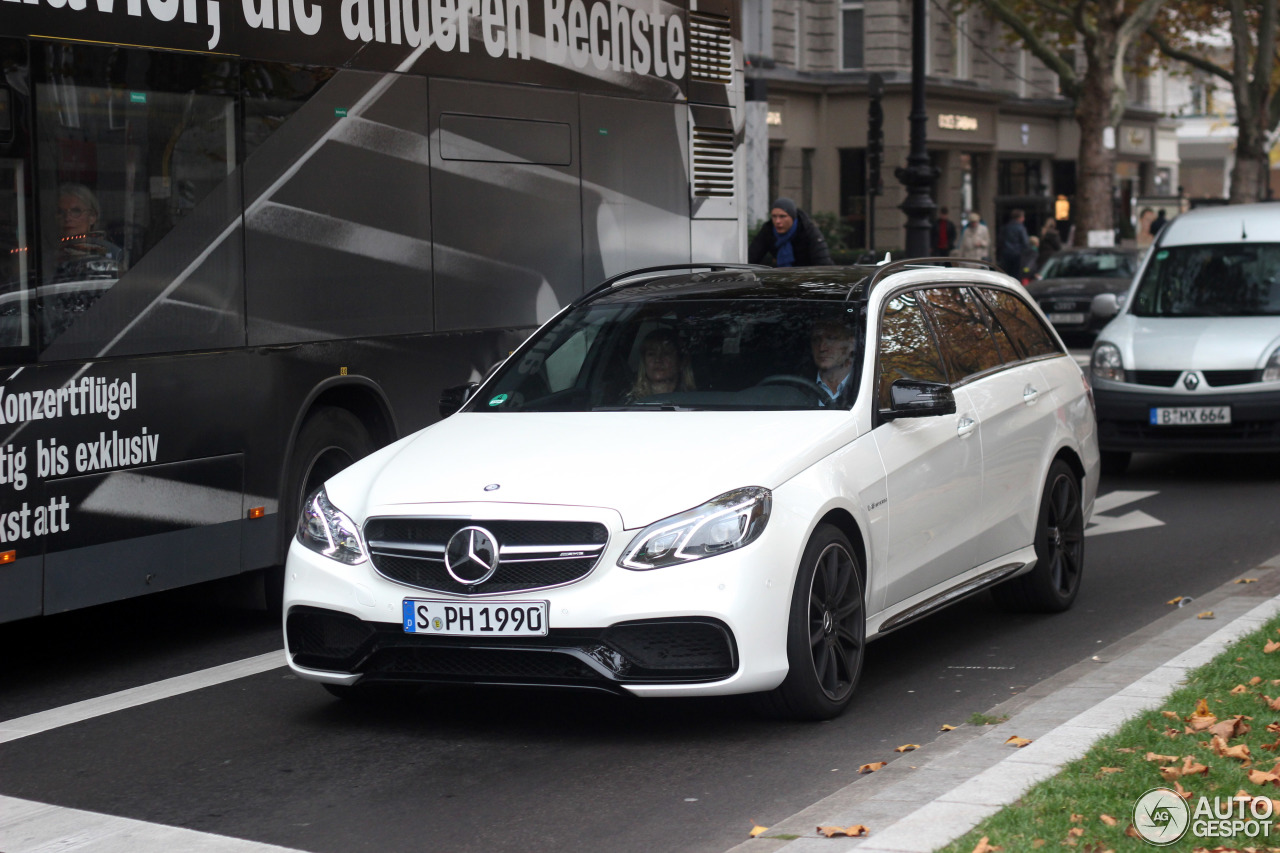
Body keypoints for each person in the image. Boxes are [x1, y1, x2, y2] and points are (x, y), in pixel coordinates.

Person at [53, 183, 121, 281]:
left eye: (76, 211)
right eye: (60, 212)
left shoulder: (112, 253)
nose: (67, 218)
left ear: (92, 217)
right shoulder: (50, 257)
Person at [748, 198, 833, 267]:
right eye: (774, 216)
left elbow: (823, 264)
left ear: (792, 217)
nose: (777, 221)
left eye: (782, 216)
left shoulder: (808, 231)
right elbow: (751, 258)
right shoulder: (768, 230)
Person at [628, 328, 695, 399]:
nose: (658, 360)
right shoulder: (628, 403)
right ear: (644, 361)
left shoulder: (695, 400)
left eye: (666, 353)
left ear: (681, 361)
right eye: (652, 354)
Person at [811, 317, 857, 405]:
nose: (822, 348)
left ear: (852, 344)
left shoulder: (867, 385)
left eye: (831, 339)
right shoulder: (795, 387)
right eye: (816, 340)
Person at [998, 209, 1031, 278]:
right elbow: (1025, 242)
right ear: (1020, 218)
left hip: (1006, 254)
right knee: (1016, 275)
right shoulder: (1021, 228)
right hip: (1017, 255)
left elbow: (1000, 241)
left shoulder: (1006, 227)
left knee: (1006, 274)